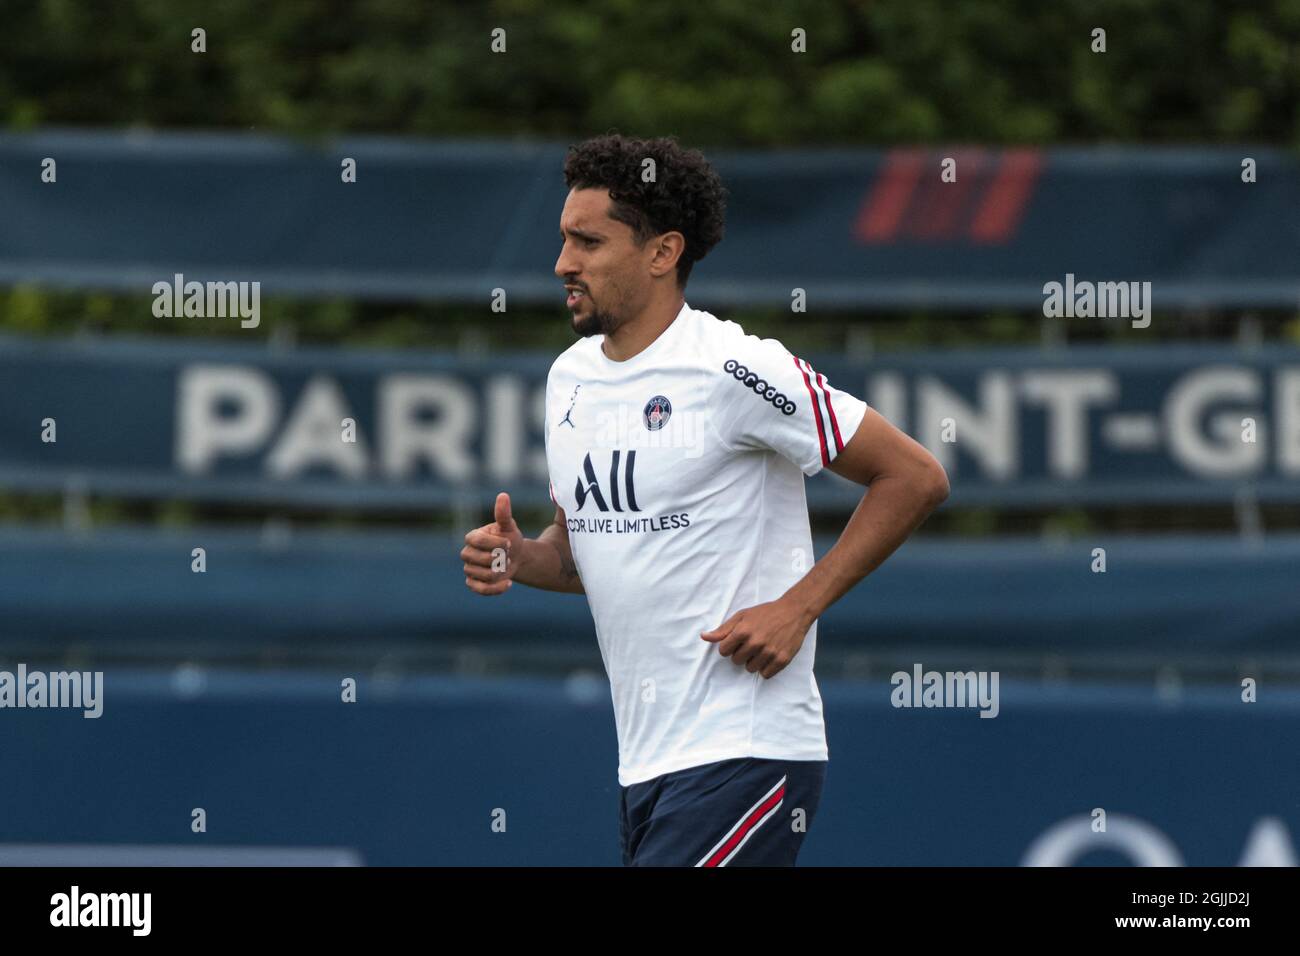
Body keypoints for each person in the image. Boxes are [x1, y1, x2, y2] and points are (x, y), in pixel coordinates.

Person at [462, 133, 949, 866]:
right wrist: (523, 557)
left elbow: (915, 476)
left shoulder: (735, 367)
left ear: (663, 253)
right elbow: (584, 552)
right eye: (564, 239)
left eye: (588, 242)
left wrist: (797, 606)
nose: (563, 263)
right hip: (647, 765)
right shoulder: (570, 378)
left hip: (746, 747)